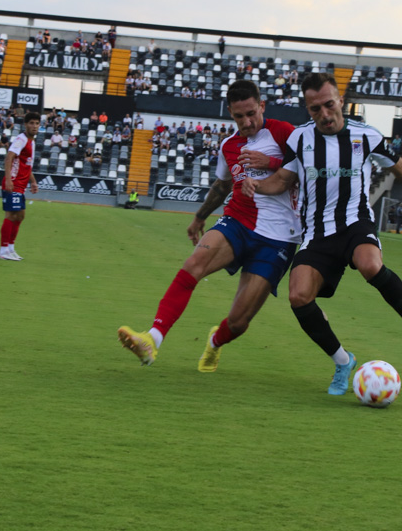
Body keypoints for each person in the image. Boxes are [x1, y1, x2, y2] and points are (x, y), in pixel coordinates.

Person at [242, 73, 402, 396]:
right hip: (317, 233)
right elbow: (283, 180)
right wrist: (257, 185)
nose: (324, 114)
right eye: (315, 109)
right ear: (307, 109)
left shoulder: (366, 136)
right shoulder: (299, 140)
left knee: (371, 265)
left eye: (329, 105)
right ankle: (343, 361)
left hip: (355, 223)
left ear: (340, 100)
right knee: (298, 296)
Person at [117, 80, 299, 372]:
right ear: (230, 113)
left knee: (239, 322)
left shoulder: (286, 133)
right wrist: (201, 216)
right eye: (239, 116)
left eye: (251, 113)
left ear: (262, 106)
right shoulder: (229, 145)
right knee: (194, 264)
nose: (246, 121)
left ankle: (215, 341)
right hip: (239, 220)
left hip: (279, 237)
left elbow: (307, 174)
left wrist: (271, 162)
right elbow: (223, 184)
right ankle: (152, 338)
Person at [0, 112, 40, 261]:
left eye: (36, 123)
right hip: (13, 183)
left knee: (20, 216)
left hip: (21, 185)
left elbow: (27, 164)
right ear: (26, 125)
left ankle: (10, 248)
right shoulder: (21, 139)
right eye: (31, 123)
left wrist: (33, 181)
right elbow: (9, 157)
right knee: (11, 215)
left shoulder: (31, 142)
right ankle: (3, 250)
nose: (34, 126)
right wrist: (8, 179)